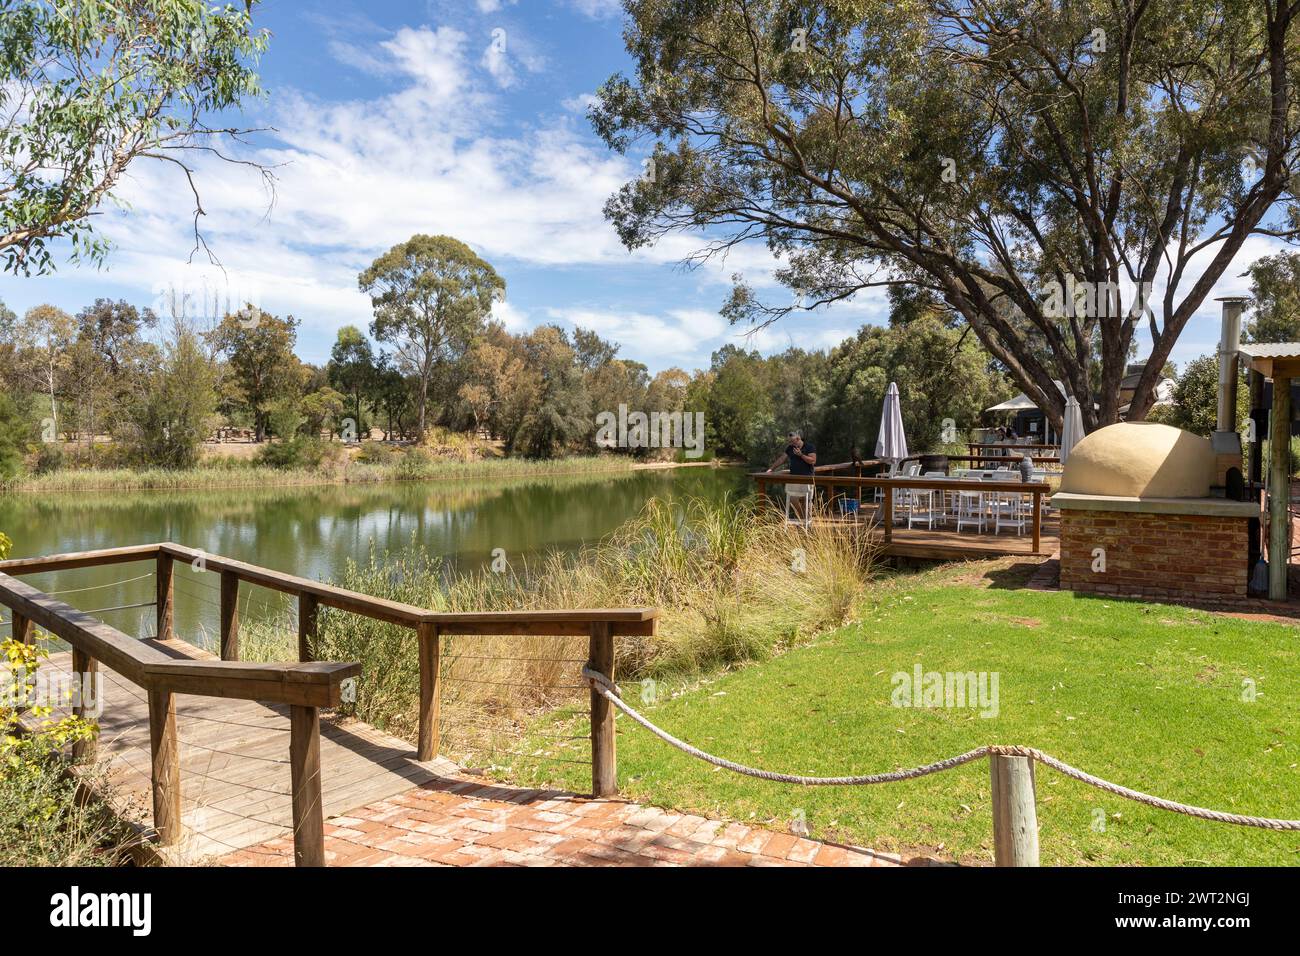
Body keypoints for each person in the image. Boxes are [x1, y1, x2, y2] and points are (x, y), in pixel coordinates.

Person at [767, 431, 818, 520]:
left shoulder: (809, 447)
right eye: (789, 442)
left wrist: (801, 455)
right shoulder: (790, 448)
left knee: (807, 502)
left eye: (792, 441)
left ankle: (806, 528)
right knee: (793, 499)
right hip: (794, 480)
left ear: (798, 439)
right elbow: (781, 459)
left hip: (808, 479)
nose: (790, 444)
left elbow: (813, 461)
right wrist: (771, 469)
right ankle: (802, 520)